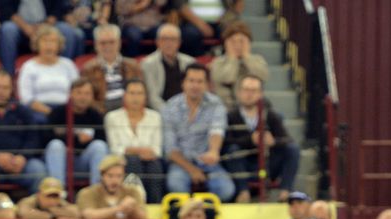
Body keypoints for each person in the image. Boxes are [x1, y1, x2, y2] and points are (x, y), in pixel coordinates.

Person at [161, 62, 235, 202]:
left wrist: (213, 151)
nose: (195, 86)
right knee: (176, 186)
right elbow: (170, 148)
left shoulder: (216, 104)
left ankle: (207, 216)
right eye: (191, 81)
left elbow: (217, 130)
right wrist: (192, 170)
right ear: (183, 83)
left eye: (200, 81)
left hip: (207, 161)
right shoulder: (170, 107)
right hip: (181, 162)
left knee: (226, 190)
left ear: (207, 84)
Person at [223, 75, 299, 203]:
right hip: (242, 166)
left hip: (267, 164)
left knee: (292, 149)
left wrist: (273, 142)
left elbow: (287, 139)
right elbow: (225, 143)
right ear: (239, 92)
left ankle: (285, 191)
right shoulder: (230, 115)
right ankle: (243, 191)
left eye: (254, 91)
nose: (249, 94)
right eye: (246, 90)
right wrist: (250, 140)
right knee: (232, 150)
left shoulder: (270, 114)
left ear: (261, 94)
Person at [104, 78, 164, 203]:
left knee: (154, 166)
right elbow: (115, 149)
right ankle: (132, 204)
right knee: (133, 161)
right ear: (124, 96)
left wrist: (132, 150)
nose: (135, 98)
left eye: (139, 93)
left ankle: (155, 207)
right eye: (132, 93)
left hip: (150, 162)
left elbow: (157, 149)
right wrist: (139, 152)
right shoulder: (112, 117)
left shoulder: (155, 117)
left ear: (146, 97)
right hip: (123, 162)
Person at [44, 77, 110, 187]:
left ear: (92, 97)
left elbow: (102, 139)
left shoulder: (95, 115)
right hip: (61, 160)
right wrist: (75, 139)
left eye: (87, 93)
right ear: (70, 94)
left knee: (99, 146)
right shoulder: (58, 113)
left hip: (85, 161)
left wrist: (86, 141)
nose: (83, 97)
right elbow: (46, 138)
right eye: (79, 93)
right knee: (55, 145)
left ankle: (96, 191)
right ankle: (57, 192)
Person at [0, 0, 84, 75]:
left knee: (67, 31)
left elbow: (58, 7)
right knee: (8, 29)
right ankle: (7, 76)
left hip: (47, 25)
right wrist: (26, 27)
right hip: (20, 26)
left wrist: (45, 26)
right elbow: (6, 8)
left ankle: (63, 74)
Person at [16, 24, 78, 120]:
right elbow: (26, 98)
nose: (48, 45)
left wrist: (62, 112)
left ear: (59, 45)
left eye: (53, 41)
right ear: (37, 44)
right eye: (45, 41)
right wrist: (51, 113)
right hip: (38, 110)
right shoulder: (28, 67)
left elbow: (77, 91)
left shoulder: (68, 65)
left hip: (66, 109)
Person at [80, 23, 141, 112]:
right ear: (96, 45)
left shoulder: (133, 65)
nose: (107, 46)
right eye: (103, 43)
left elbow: (141, 93)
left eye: (112, 42)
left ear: (119, 43)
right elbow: (87, 98)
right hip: (102, 111)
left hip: (129, 110)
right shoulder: (88, 69)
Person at [209, 21, 268, 110]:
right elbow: (228, 78)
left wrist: (246, 57)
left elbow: (262, 76)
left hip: (252, 107)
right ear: (226, 43)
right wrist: (232, 59)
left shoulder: (257, 60)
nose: (237, 45)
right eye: (233, 41)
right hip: (224, 108)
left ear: (249, 43)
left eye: (241, 41)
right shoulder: (218, 62)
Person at [75, 153, 146, 219]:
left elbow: (144, 218)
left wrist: (134, 209)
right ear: (102, 176)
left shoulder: (132, 192)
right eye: (110, 176)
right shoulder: (87, 193)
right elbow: (89, 216)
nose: (115, 181)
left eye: (119, 176)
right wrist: (119, 208)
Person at [141, 22, 194, 112]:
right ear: (157, 42)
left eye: (173, 39)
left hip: (187, 110)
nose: (168, 43)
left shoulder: (189, 62)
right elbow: (153, 98)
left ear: (179, 42)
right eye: (164, 39)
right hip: (160, 111)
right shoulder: (148, 64)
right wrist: (169, 113)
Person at [175, 0, 243, 57]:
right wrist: (200, 24)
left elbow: (238, 5)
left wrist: (226, 18)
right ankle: (197, 64)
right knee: (189, 35)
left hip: (222, 22)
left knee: (234, 33)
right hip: (192, 22)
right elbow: (180, 5)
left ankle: (227, 63)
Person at [15, 175, 80, 219]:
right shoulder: (29, 201)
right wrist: (53, 217)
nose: (52, 200)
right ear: (39, 194)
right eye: (48, 196)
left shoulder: (60, 202)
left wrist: (55, 211)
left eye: (55, 196)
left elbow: (76, 213)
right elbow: (24, 214)